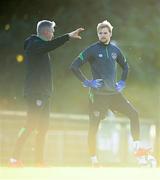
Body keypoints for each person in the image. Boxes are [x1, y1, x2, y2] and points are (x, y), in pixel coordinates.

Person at [70, 20, 149, 167]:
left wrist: (122, 82)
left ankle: (137, 148)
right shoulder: (92, 50)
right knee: (93, 127)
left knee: (134, 114)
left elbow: (125, 66)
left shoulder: (115, 50)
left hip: (113, 95)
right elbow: (74, 66)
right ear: (97, 34)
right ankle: (94, 160)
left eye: (105, 33)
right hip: (97, 96)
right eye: (100, 33)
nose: (102, 35)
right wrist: (87, 82)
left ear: (110, 34)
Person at [9, 20, 84, 167]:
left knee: (43, 128)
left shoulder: (41, 46)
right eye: (52, 31)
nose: (53, 33)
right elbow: (50, 45)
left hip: (44, 94)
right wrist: (68, 36)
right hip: (35, 93)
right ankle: (14, 158)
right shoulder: (34, 44)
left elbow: (48, 47)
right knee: (30, 125)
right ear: (46, 32)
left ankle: (39, 161)